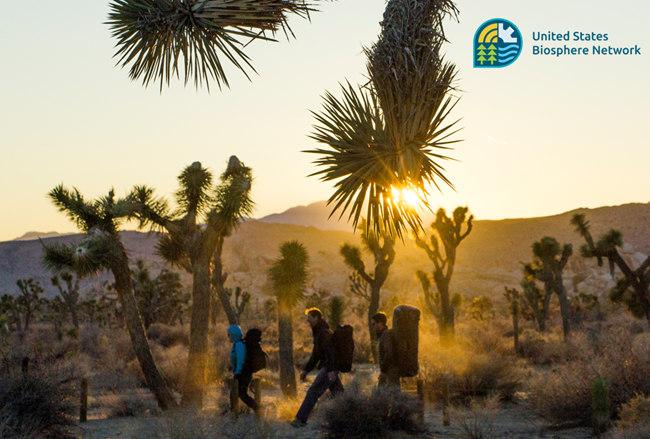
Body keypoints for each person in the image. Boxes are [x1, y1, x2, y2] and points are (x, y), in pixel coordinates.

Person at [291, 308, 344, 427]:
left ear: (316, 318)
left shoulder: (323, 333)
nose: (308, 322)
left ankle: (300, 420)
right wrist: (306, 370)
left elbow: (329, 352)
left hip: (328, 369)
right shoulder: (319, 332)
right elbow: (316, 355)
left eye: (310, 319)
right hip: (331, 368)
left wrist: (330, 370)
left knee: (313, 392)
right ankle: (349, 417)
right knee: (339, 395)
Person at [227, 325, 260, 413]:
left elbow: (241, 359)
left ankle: (260, 410)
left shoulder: (239, 344)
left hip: (242, 374)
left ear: (234, 334)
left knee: (240, 395)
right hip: (242, 373)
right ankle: (235, 413)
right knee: (240, 395)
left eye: (229, 334)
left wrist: (238, 373)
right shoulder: (237, 344)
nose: (228, 336)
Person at [371, 312, 400, 388]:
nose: (372, 326)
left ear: (380, 323)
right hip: (387, 371)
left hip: (390, 371)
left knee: (393, 395)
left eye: (374, 324)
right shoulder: (383, 335)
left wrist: (383, 369)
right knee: (383, 394)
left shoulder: (386, 335)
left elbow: (389, 353)